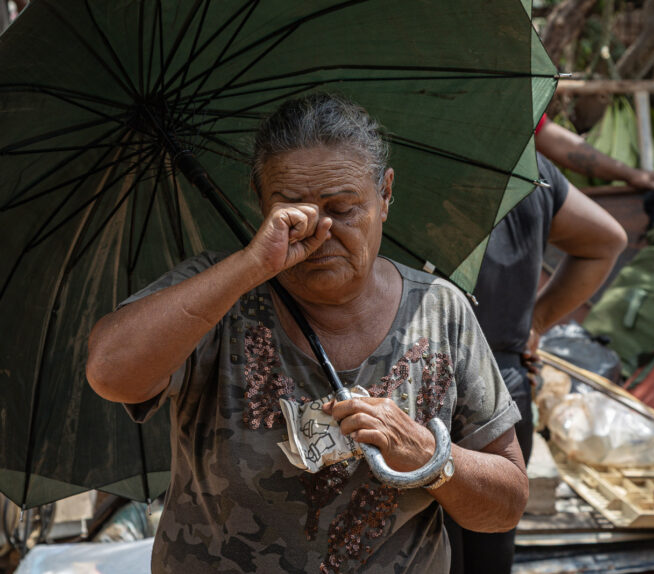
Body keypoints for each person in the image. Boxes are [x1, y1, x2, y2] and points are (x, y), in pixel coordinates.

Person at [86, 93, 528, 573]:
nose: (320, 231)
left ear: (385, 195)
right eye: (294, 210)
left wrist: (430, 457)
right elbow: (110, 372)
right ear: (260, 201)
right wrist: (252, 265)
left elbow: (505, 505)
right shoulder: (218, 295)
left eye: (342, 207)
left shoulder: (439, 310)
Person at [446, 113, 653, 574]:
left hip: (433, 391)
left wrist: (538, 318)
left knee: (433, 552)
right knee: (491, 548)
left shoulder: (417, 168)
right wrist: (534, 320)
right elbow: (607, 240)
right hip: (506, 391)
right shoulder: (533, 171)